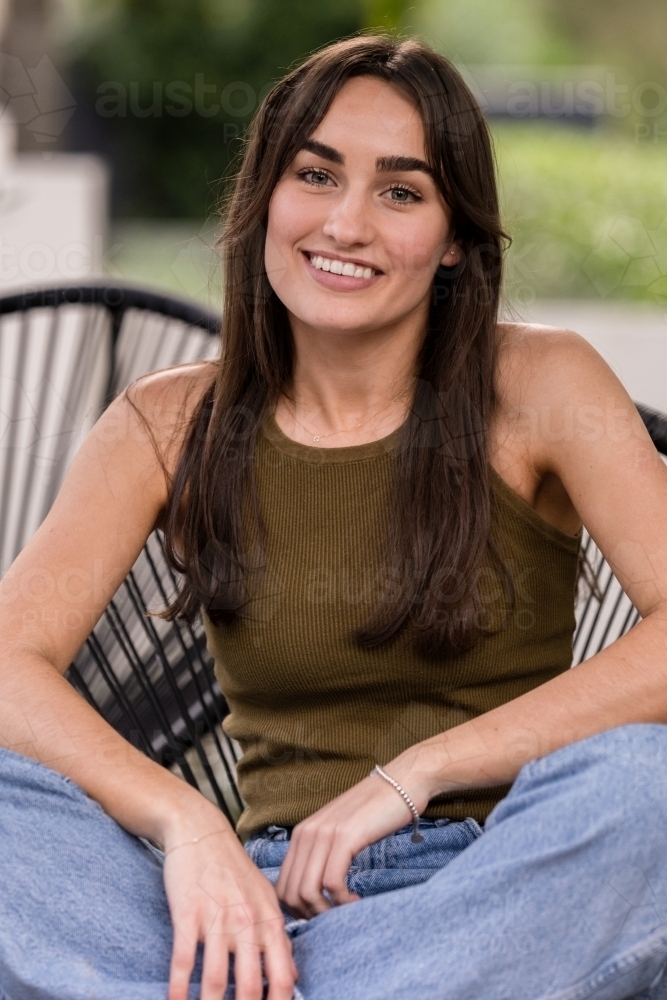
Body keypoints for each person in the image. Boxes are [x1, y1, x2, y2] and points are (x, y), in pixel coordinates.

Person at [2, 33, 667, 1000]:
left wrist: (415, 774)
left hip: (482, 893)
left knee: (645, 782)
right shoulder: (167, 422)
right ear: (264, 198)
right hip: (236, 912)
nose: (346, 223)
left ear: (453, 238)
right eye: (315, 175)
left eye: (401, 191)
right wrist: (185, 825)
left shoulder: (540, 383)